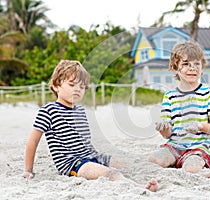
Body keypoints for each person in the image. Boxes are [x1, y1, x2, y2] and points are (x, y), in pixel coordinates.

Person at [22, 60, 158, 192]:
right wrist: (28, 170)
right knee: (111, 173)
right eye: (71, 85)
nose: (77, 89)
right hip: (72, 163)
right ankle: (140, 188)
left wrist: (101, 157)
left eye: (81, 87)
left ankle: (156, 174)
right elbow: (33, 142)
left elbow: (85, 141)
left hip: (92, 155)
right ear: (56, 85)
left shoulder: (80, 110)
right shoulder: (48, 110)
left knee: (126, 163)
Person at [148, 40, 210, 178]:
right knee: (152, 161)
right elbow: (167, 135)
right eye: (186, 64)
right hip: (174, 146)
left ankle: (203, 172)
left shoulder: (209, 93)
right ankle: (177, 163)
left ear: (202, 67)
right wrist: (163, 128)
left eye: (197, 64)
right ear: (175, 67)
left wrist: (200, 126)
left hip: (198, 148)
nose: (192, 68)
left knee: (191, 168)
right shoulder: (170, 96)